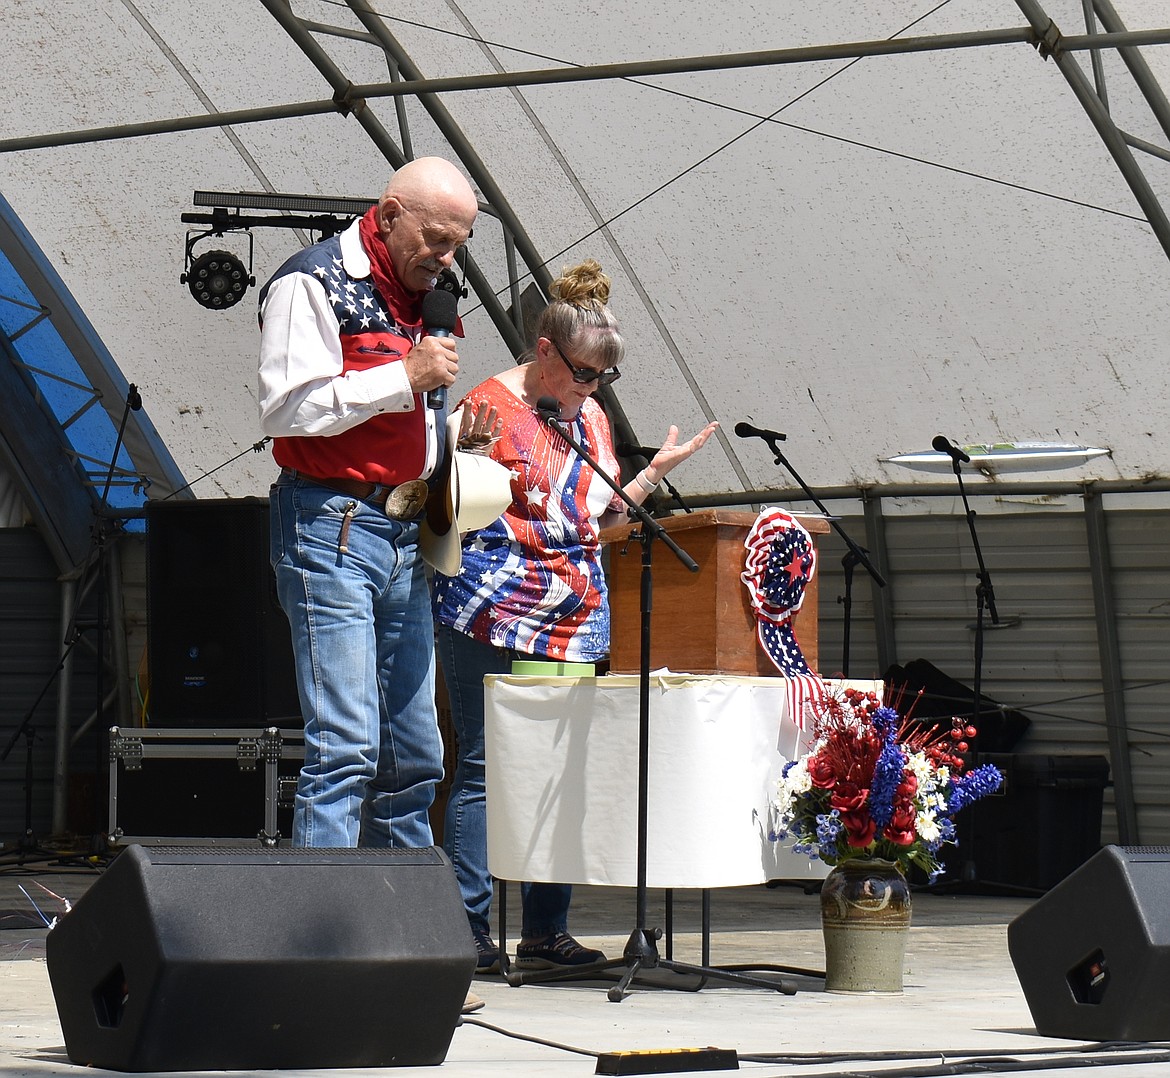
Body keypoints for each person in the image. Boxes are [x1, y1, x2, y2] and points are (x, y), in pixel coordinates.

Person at [432, 259, 719, 972]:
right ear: (546, 351)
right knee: (483, 765)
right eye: (586, 372)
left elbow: (604, 512)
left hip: (572, 612)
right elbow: (444, 510)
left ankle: (544, 932)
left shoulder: (588, 416)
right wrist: (465, 471)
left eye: (605, 378)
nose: (594, 388)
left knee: (558, 770)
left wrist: (654, 474)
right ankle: (466, 928)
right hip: (490, 607)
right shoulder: (484, 406)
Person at [257, 156, 478, 850]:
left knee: (416, 756)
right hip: (330, 525)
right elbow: (287, 411)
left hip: (406, 533)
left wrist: (452, 435)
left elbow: (404, 422)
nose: (445, 258)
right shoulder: (311, 280)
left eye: (457, 245)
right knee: (346, 750)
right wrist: (402, 375)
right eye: (436, 239)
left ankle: (400, 935)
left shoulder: (428, 303)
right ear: (387, 215)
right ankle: (320, 944)